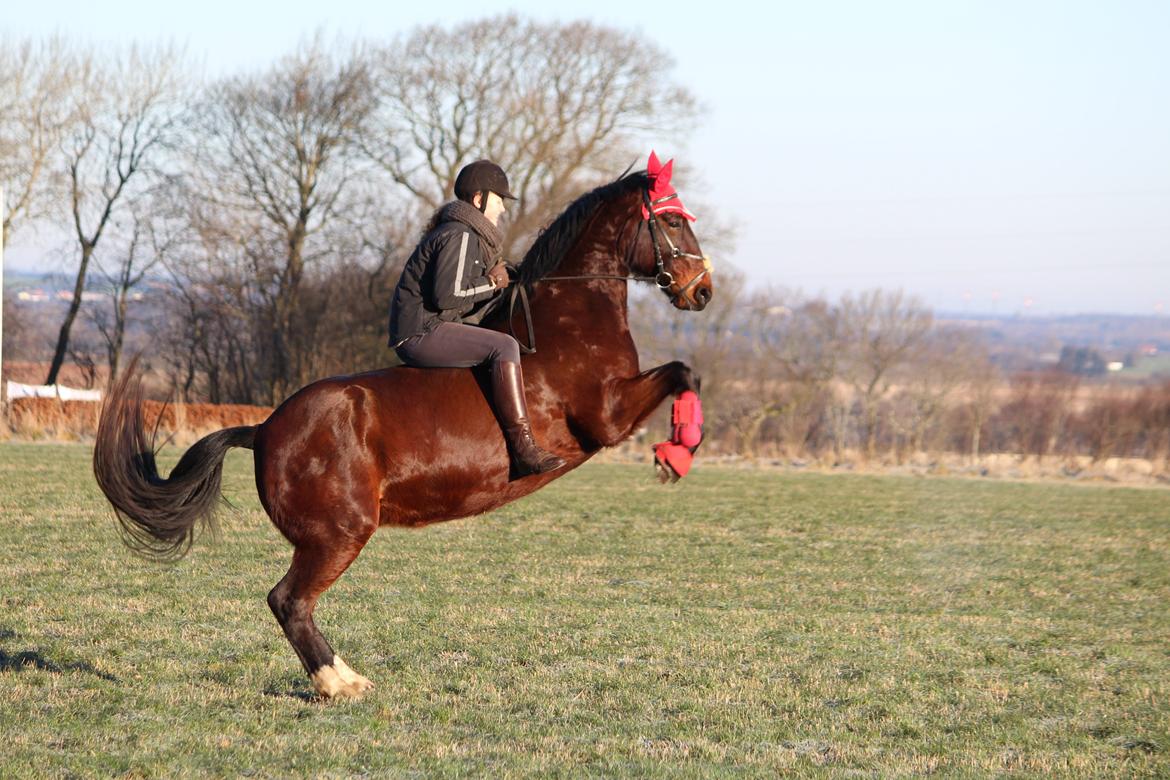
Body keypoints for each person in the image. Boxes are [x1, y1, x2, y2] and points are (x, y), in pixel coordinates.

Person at [388, 160, 565, 476]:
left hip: (431, 326)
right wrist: (493, 283)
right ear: (479, 199)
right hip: (419, 333)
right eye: (499, 200)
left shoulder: (466, 233)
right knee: (505, 347)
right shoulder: (460, 235)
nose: (503, 210)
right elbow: (449, 297)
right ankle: (523, 449)